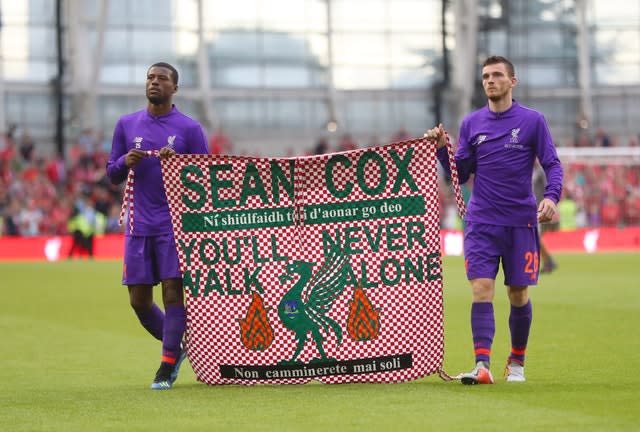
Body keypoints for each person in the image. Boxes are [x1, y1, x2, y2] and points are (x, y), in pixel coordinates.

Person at [425, 56, 563, 384]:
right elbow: (460, 174)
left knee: (518, 294)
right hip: (481, 222)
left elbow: (552, 165)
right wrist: (444, 150)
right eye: (486, 76)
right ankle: (482, 364)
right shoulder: (471, 123)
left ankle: (516, 362)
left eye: (497, 75)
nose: (490, 80)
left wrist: (551, 197)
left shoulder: (532, 121)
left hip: (520, 222)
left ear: (512, 82)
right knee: (481, 288)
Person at [106, 62, 209, 389]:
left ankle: (165, 366)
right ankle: (177, 349)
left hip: (174, 225)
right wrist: (125, 161)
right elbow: (112, 174)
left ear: (174, 88)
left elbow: (206, 178)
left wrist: (179, 164)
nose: (154, 82)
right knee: (138, 300)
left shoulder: (190, 130)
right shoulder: (126, 125)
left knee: (172, 292)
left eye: (162, 79)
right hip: (138, 222)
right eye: (150, 77)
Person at [533, 161, 558, 273]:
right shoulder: (530, 169)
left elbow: (547, 186)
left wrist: (550, 203)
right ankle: (548, 261)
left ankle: (547, 261)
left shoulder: (540, 171)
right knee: (535, 236)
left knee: (535, 236)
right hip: (531, 207)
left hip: (539, 207)